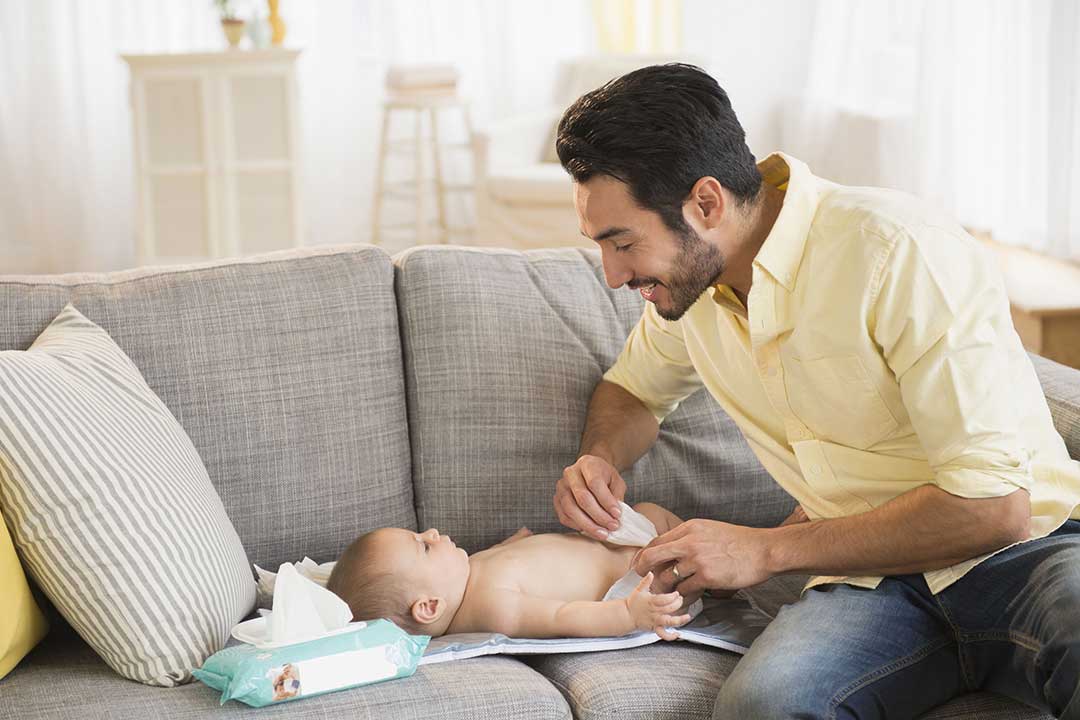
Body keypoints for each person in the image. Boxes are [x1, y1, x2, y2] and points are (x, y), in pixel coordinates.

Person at [552, 63, 1080, 719]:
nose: (611, 273)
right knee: (764, 708)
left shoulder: (895, 250)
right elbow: (632, 389)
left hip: (1030, 553)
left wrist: (763, 549)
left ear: (706, 204)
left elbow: (994, 509)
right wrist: (601, 456)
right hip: (872, 585)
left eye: (622, 241)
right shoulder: (691, 296)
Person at [326, 502, 697, 641]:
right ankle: (717, 587)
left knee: (653, 511)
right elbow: (561, 616)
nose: (433, 532)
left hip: (624, 538)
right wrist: (628, 613)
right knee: (684, 569)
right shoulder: (491, 608)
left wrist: (511, 546)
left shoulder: (465, 573)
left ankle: (721, 580)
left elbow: (498, 560)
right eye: (423, 545)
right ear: (429, 607)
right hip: (637, 581)